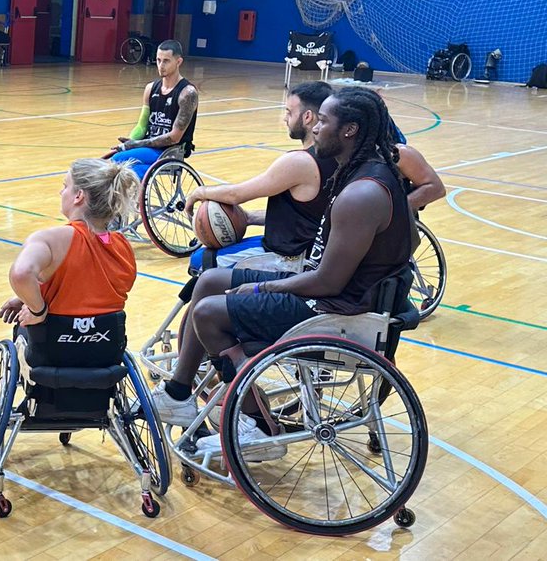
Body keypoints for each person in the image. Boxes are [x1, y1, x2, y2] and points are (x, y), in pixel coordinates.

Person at [150, 88, 414, 458]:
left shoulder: (361, 194)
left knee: (209, 313)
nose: (316, 128)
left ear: (350, 130)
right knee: (208, 281)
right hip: (339, 295)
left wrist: (264, 289)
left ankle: (257, 426)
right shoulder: (371, 174)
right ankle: (179, 394)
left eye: (324, 121)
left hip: (335, 311)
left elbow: (327, 281)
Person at [183, 81, 337, 271]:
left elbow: (236, 195)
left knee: (200, 260)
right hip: (312, 250)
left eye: (289, 112)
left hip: (289, 258)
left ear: (307, 117)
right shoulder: (335, 156)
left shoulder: (300, 162)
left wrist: (199, 192)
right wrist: (248, 217)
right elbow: (304, 216)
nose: (284, 118)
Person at [0, 158, 140, 326]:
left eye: (65, 186)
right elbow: (88, 292)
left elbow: (21, 274)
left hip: (55, 344)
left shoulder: (51, 239)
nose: (61, 192)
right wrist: (25, 297)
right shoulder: (123, 246)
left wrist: (37, 309)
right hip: (107, 345)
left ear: (79, 196)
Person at [107, 40, 198, 180]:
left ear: (178, 62)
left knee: (117, 160)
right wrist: (129, 142)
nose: (161, 66)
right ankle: (130, 201)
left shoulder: (187, 93)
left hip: (170, 151)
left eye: (166, 61)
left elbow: (174, 137)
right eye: (158, 60)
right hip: (149, 147)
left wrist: (136, 144)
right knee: (120, 167)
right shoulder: (150, 88)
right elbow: (142, 126)